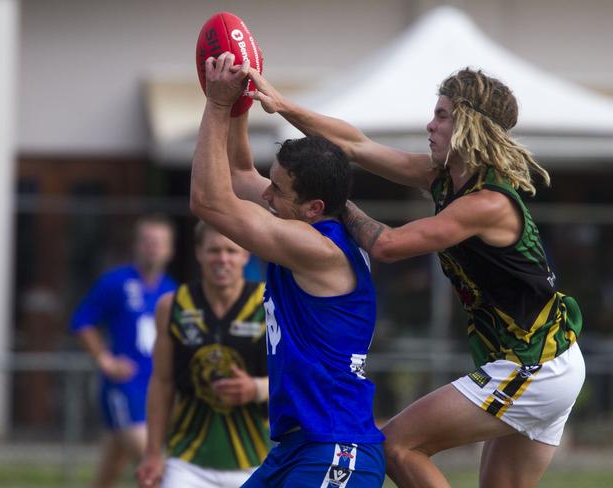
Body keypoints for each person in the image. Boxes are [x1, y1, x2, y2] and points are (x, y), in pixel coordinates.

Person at [245, 66, 586, 488]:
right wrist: (282, 105)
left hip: (535, 365)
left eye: (443, 115)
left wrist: (335, 202)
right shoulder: (444, 178)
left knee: (396, 445)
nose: (431, 123)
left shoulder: (487, 203)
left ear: (470, 126)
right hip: (550, 362)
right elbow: (354, 144)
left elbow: (386, 245)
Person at [189, 52, 386, 487]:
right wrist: (240, 98)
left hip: (335, 448)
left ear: (314, 208)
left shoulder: (317, 248)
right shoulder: (303, 222)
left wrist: (218, 106)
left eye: (276, 190)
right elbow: (240, 172)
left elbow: (208, 200)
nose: (266, 196)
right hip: (300, 448)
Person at [136, 220, 270, 488]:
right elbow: (162, 382)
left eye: (231, 251)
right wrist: (152, 453)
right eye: (213, 250)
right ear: (198, 252)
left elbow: (297, 377)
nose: (223, 259)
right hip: (187, 461)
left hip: (257, 460)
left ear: (246, 255)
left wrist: (255, 388)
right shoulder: (172, 306)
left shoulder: (270, 305)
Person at [71, 215, 177, 488]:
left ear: (170, 249)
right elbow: (82, 322)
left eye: (159, 242)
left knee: (111, 468)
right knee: (152, 464)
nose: (153, 248)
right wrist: (104, 360)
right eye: (147, 241)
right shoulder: (116, 282)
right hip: (124, 387)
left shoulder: (172, 290)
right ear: (136, 245)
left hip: (155, 388)